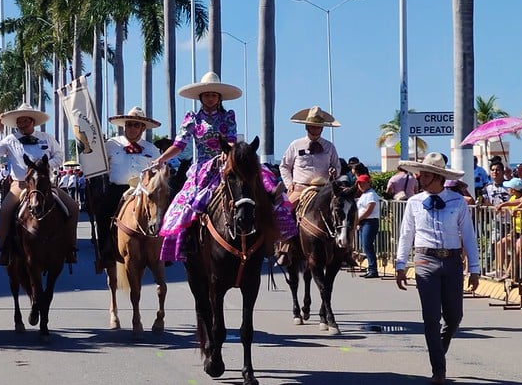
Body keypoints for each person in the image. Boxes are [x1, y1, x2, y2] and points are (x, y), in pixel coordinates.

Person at [155, 72, 295, 263]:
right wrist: (161, 158)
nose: (210, 98)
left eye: (214, 94)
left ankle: (271, 230)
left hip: (227, 159)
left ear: (219, 97)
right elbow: (179, 145)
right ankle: (188, 241)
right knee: (186, 201)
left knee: (257, 179)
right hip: (204, 166)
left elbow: (230, 140)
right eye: (206, 94)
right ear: (201, 97)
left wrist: (227, 153)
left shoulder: (228, 117)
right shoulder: (192, 119)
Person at [395, 152, 480, 385]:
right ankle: (438, 368)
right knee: (431, 317)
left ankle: (438, 349)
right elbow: (406, 234)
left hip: (452, 261)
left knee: (454, 317)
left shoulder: (457, 201)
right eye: (420, 174)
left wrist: (474, 268)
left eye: (426, 174)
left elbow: (469, 236)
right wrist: (400, 264)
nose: (420, 178)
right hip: (425, 261)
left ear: (438, 177)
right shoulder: (413, 202)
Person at [0, 103, 75, 266]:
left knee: (73, 208)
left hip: (45, 184)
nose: (22, 124)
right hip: (21, 185)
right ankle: (4, 250)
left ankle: (70, 246)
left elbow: (59, 156)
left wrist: (46, 165)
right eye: (19, 122)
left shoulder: (46, 138)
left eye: (25, 121)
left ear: (33, 122)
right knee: (5, 212)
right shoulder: (10, 140)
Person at [95, 107, 161, 269]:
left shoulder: (152, 149)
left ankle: (162, 253)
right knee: (102, 213)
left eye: (136, 125)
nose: (131, 128)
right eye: (129, 125)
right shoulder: (111, 144)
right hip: (118, 189)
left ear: (143, 128)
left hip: (143, 192)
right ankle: (106, 253)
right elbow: (96, 162)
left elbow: (159, 172)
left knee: (161, 214)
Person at [279, 106, 341, 206]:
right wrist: (289, 184)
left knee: (342, 210)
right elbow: (284, 166)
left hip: (324, 189)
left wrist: (335, 171)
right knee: (284, 212)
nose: (316, 129)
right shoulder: (296, 144)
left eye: (318, 127)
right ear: (306, 126)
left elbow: (337, 166)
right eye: (313, 126)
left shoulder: (329, 146)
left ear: (322, 128)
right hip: (300, 189)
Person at [356, 174, 381, 278]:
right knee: (365, 245)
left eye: (362, 183)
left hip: (370, 222)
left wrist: (359, 219)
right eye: (359, 183)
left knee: (367, 245)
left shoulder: (371, 194)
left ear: (368, 183)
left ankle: (373, 269)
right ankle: (370, 268)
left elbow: (369, 210)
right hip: (364, 222)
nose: (360, 185)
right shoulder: (364, 194)